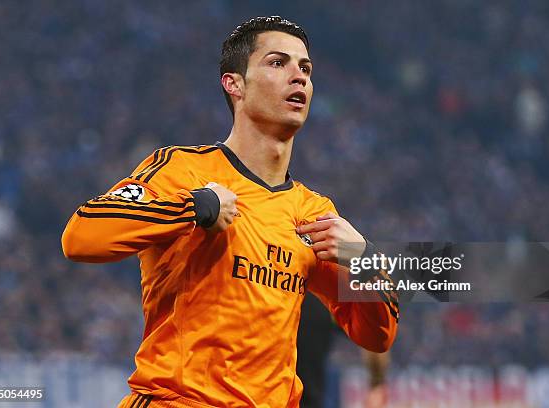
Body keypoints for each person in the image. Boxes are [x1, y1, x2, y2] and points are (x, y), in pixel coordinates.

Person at [62, 16, 399, 408]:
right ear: (234, 84)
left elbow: (377, 336)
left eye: (305, 68)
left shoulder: (313, 212)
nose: (299, 77)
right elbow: (80, 236)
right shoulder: (182, 170)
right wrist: (195, 207)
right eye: (278, 63)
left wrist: (366, 259)